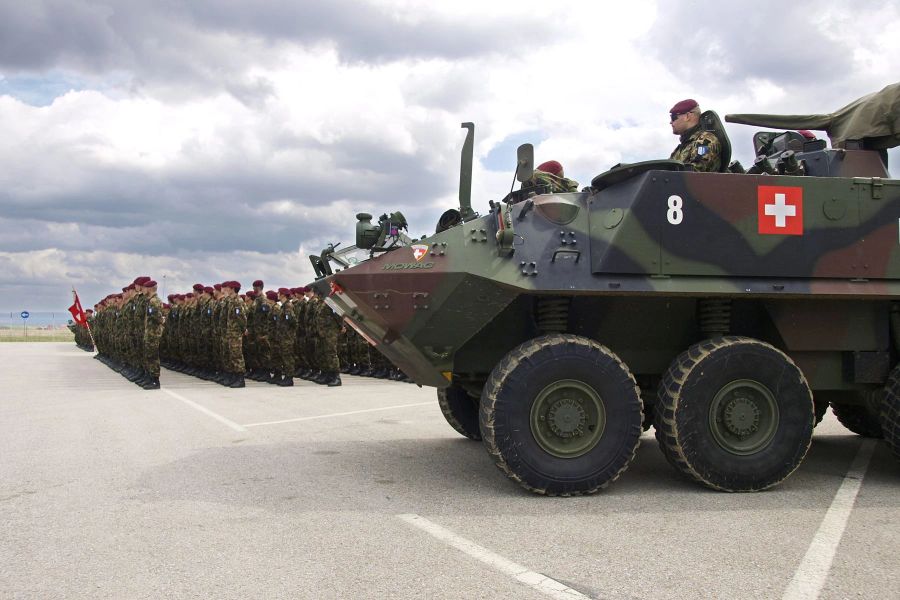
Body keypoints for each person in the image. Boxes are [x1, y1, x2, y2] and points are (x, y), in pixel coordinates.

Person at [669, 99, 722, 172]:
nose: (670, 122)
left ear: (687, 116)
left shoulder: (705, 141)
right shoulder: (681, 148)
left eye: (673, 117)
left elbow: (697, 171)